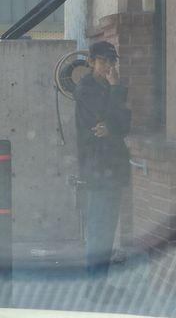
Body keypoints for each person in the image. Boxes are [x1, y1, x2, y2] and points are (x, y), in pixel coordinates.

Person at [61, 41, 131, 286]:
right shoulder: (87, 88)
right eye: (103, 61)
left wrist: (112, 126)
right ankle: (95, 287)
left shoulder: (114, 88)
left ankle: (101, 284)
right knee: (99, 230)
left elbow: (122, 125)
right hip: (98, 168)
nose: (109, 66)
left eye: (112, 61)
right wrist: (114, 98)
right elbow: (102, 121)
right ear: (91, 62)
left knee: (107, 230)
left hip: (113, 168)